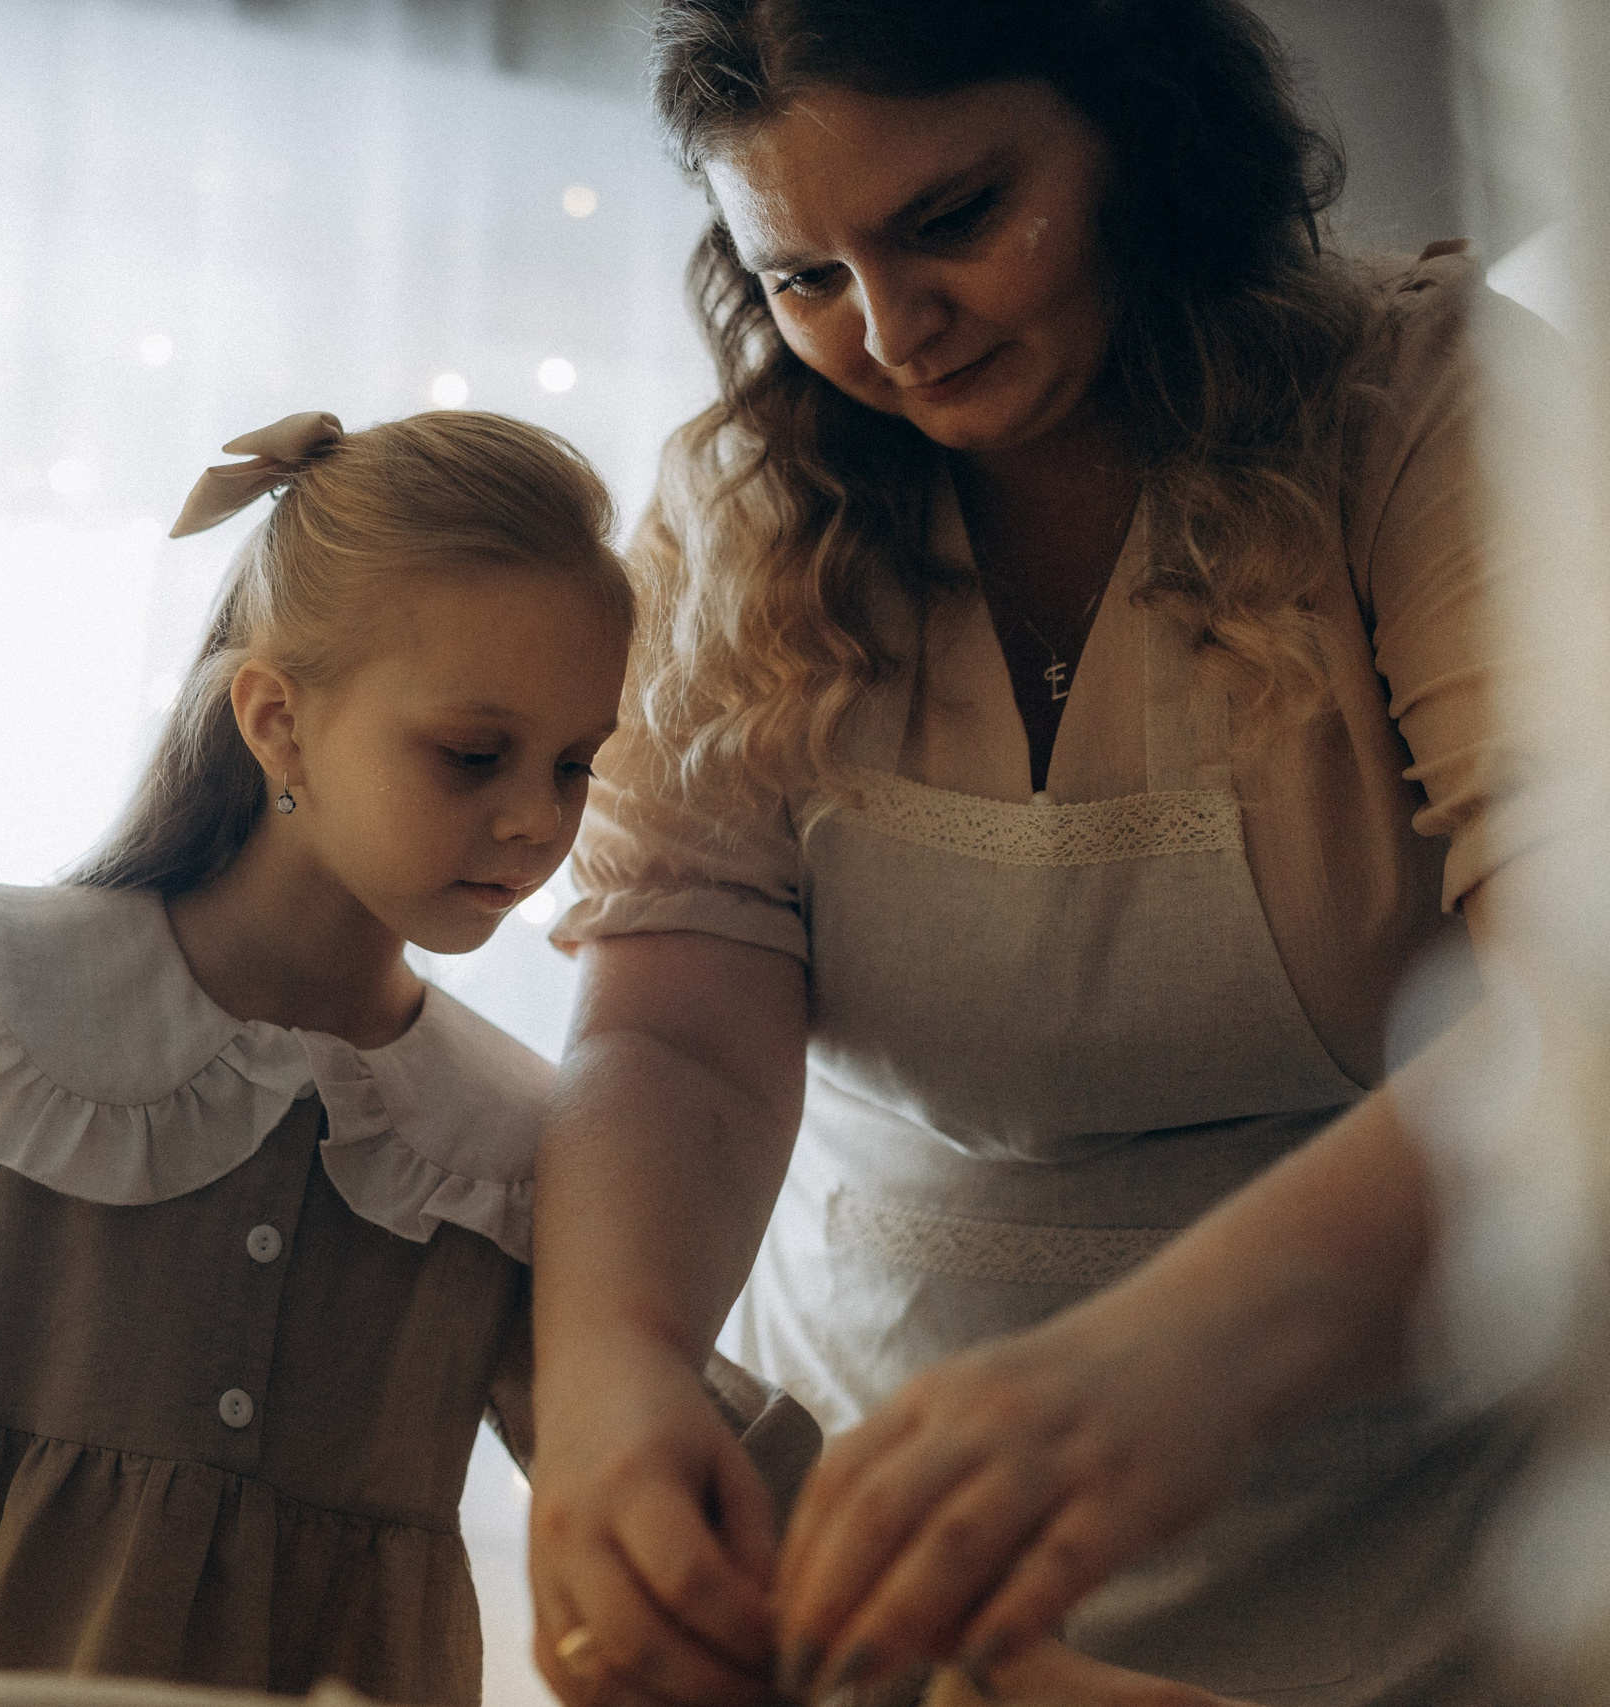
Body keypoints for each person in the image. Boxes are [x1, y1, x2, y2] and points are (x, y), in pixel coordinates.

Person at [525, 3, 1567, 1704]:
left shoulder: (1429, 408)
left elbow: (1578, 1007)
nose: (888, 331)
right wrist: (613, 1375)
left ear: (1141, 134)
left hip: (1403, 1544)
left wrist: (1179, 1362)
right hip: (873, 1535)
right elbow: (671, 1035)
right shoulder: (745, 505)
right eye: (801, 276)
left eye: (951, 220)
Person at [0, 409, 821, 1705]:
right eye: (474, 754)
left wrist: (902, 1546)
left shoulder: (502, 1144)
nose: (537, 819)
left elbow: (646, 1435)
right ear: (277, 721)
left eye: (575, 764)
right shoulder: (18, 1006)